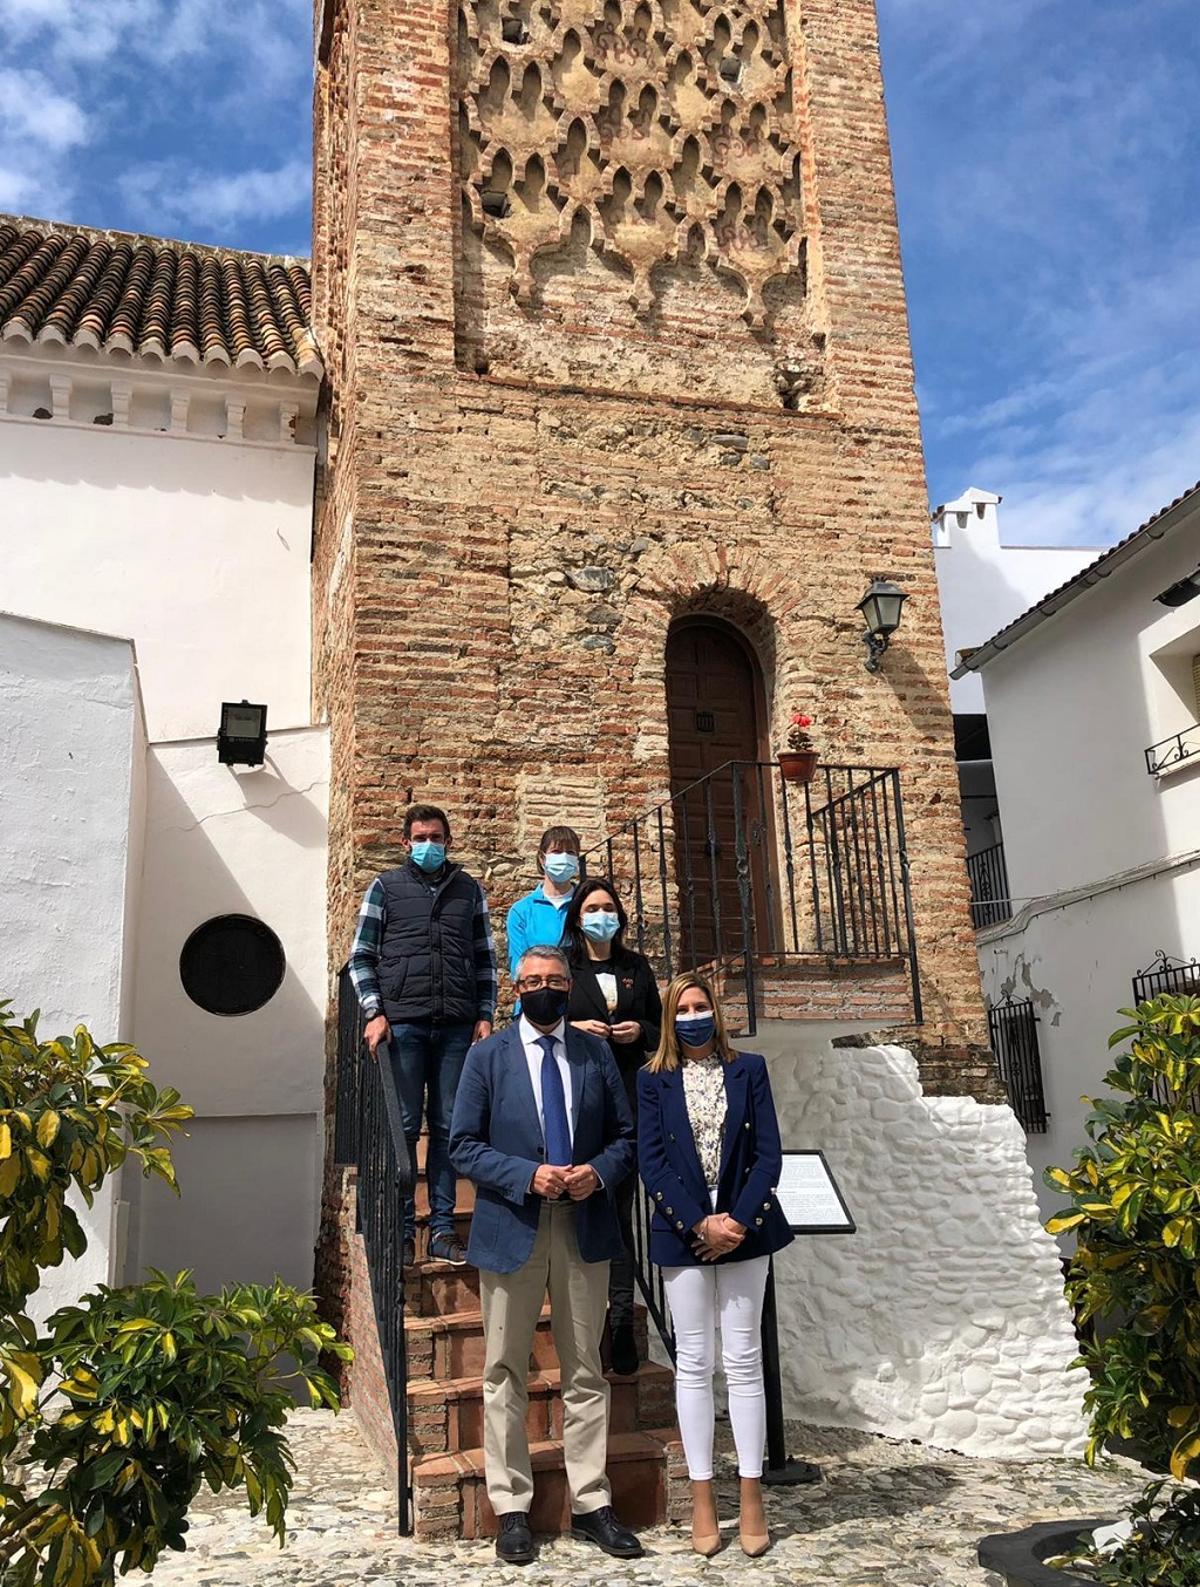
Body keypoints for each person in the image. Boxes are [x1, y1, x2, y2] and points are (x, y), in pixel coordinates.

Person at [449, 946, 644, 1566]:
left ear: (569, 987)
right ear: (516, 987)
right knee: (504, 1369)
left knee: (585, 1369)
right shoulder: (487, 1057)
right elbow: (462, 1145)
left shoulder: (593, 1054)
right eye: (533, 981)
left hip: (583, 1224)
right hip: (513, 1225)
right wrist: (525, 1175)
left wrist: (600, 1172)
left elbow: (626, 1137)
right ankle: (511, 1506)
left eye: (555, 980)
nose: (544, 989)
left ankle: (591, 1501)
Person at [636, 972, 793, 1559]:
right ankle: (704, 1494)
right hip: (684, 1235)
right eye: (682, 1008)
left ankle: (750, 1493)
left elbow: (769, 1153)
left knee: (744, 1358)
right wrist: (699, 1224)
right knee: (694, 1361)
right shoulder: (651, 1080)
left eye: (701, 1006)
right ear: (670, 1018)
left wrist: (735, 1224)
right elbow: (652, 1162)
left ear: (715, 1013)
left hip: (745, 1233)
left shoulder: (748, 1069)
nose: (693, 1016)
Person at [349, 803, 497, 1270]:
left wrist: (486, 1013)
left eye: (435, 836)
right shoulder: (385, 889)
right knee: (405, 1127)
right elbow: (361, 957)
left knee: (452, 1127)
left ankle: (442, 1231)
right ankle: (397, 1227)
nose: (427, 844)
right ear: (405, 842)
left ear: (448, 840)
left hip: (456, 1025)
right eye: (419, 837)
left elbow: (485, 958)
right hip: (405, 1024)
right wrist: (374, 1012)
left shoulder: (469, 890)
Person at [563, 877, 661, 1378]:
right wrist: (574, 1028)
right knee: (578, 1213)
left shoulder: (635, 967)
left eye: (609, 907)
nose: (602, 914)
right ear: (578, 916)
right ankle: (578, 1324)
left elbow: (658, 1027)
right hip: (578, 1101)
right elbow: (535, 1020)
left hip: (626, 1098)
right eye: (593, 907)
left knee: (620, 1215)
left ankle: (620, 1322)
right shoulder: (564, 968)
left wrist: (638, 1030)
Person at [505, 825, 582, 979]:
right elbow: (519, 968)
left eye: (571, 852)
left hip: (580, 998)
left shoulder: (585, 905)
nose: (564, 857)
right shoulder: (522, 911)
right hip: (537, 995)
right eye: (557, 852)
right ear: (542, 858)